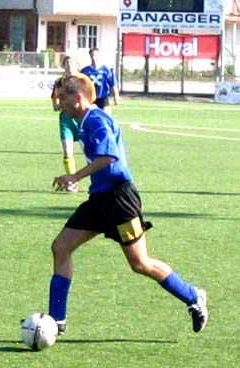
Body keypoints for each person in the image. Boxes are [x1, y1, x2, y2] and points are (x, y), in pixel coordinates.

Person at [48, 75, 208, 336]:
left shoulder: (97, 120)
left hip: (119, 200)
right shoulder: (86, 120)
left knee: (140, 263)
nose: (59, 104)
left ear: (78, 97)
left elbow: (109, 157)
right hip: (99, 199)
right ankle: (56, 319)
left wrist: (74, 176)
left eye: (62, 98)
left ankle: (193, 295)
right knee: (60, 247)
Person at [51, 55, 96, 193]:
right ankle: (73, 183)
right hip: (66, 120)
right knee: (67, 152)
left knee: (92, 152)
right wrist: (59, 105)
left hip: (81, 118)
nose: (69, 66)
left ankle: (97, 182)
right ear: (63, 66)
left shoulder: (83, 80)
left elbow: (92, 98)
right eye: (66, 63)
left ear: (77, 65)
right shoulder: (59, 82)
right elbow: (55, 102)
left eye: (71, 63)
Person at [81, 47, 120, 115]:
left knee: (105, 118)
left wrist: (116, 96)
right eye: (92, 55)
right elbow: (80, 85)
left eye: (96, 55)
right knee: (92, 119)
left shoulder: (106, 70)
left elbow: (113, 84)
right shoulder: (85, 71)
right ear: (90, 56)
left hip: (103, 97)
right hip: (91, 99)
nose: (94, 57)